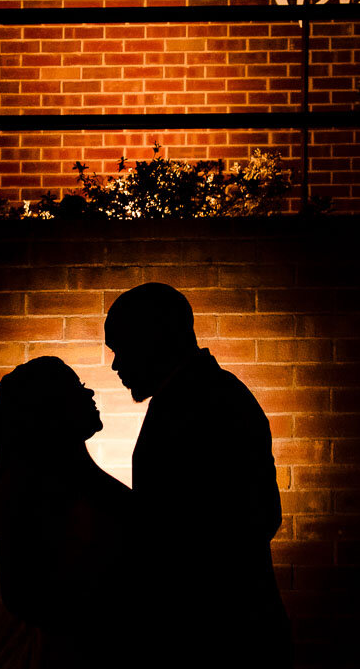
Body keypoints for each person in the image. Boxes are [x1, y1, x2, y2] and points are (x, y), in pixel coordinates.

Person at [105, 282, 292, 667]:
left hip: (220, 637)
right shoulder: (203, 394)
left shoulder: (205, 402)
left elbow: (249, 519)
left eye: (121, 347)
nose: (115, 364)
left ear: (156, 338)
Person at [0, 356, 132, 669]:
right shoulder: (24, 490)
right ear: (49, 412)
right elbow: (23, 596)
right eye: (76, 389)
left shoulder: (78, 482)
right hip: (28, 650)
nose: (89, 395)